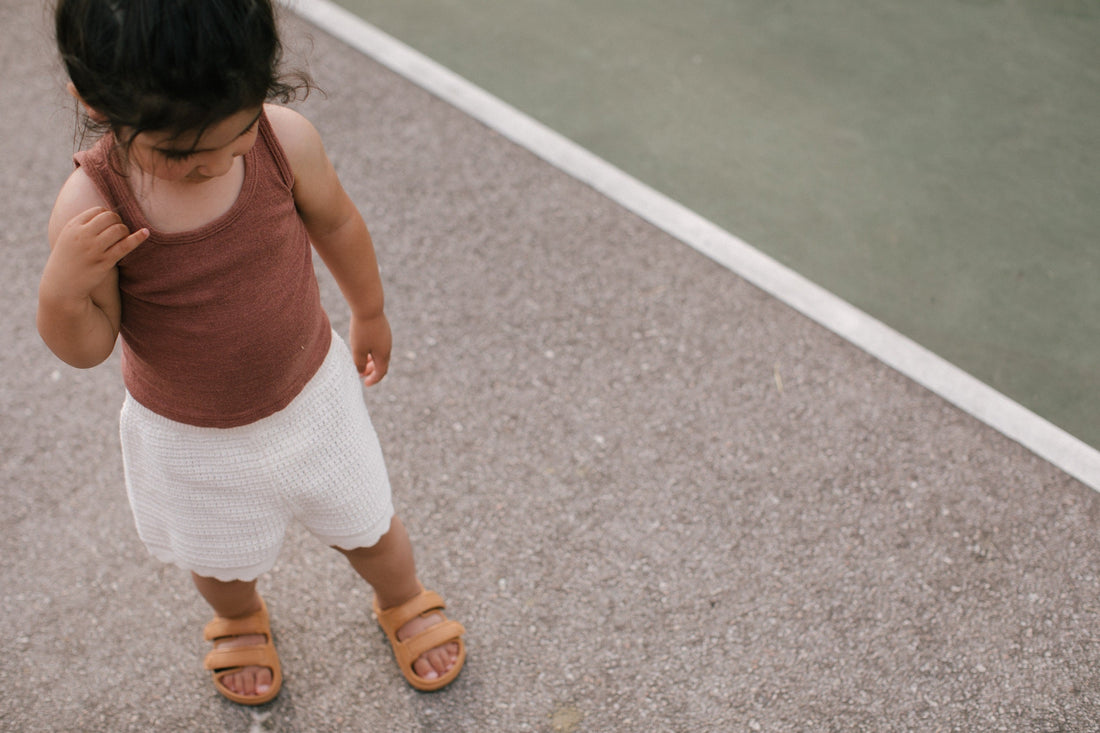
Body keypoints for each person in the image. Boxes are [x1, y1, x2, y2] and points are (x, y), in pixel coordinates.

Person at [38, 0, 465, 705]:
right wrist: (62, 289)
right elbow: (89, 345)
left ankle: (403, 595)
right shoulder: (93, 206)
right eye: (180, 153)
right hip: (189, 433)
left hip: (310, 394)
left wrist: (370, 307)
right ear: (92, 102)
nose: (210, 164)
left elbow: (337, 220)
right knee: (219, 557)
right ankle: (238, 615)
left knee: (368, 523)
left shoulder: (282, 141)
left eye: (231, 142)